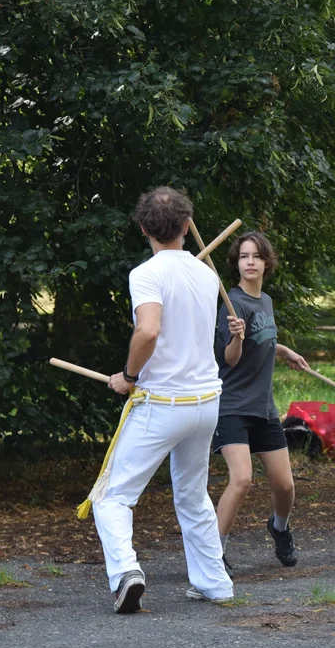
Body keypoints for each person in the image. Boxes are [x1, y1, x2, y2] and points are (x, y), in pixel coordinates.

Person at [94, 187, 233, 613]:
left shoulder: (146, 274)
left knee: (111, 497)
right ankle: (215, 584)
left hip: (164, 403)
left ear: (142, 229)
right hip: (206, 401)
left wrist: (129, 376)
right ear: (188, 227)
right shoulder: (206, 273)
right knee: (193, 494)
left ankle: (126, 574)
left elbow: (150, 331)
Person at [212, 231, 310, 577]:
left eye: (255, 256)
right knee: (241, 480)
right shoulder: (232, 303)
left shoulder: (265, 301)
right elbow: (230, 359)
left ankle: (279, 528)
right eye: (243, 257)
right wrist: (236, 336)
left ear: (267, 262)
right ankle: (214, 554)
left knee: (285, 485)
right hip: (232, 406)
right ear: (236, 264)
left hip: (264, 408)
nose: (249, 262)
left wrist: (284, 351)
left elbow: (264, 338)